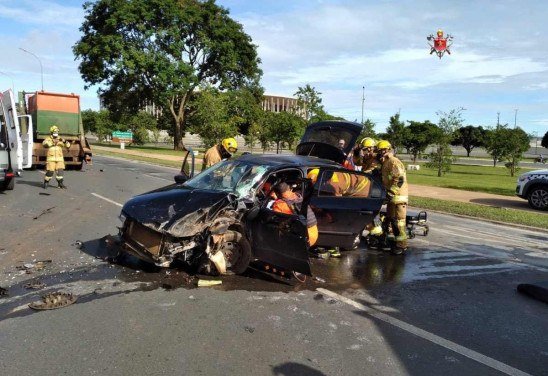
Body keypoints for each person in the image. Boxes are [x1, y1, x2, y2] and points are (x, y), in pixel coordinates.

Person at [376, 140, 408, 254]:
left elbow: (399, 179)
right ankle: (393, 242)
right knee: (391, 220)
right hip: (391, 197)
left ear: (388, 150)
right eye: (379, 151)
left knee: (399, 222)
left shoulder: (394, 162)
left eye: (382, 151)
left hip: (398, 197)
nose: (380, 153)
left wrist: (390, 193)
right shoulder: (386, 162)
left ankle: (401, 245)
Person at [270, 182, 318, 247]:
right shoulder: (298, 197)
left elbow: (278, 221)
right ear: (290, 189)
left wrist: (276, 201)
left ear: (276, 193)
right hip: (314, 232)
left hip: (304, 237)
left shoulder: (279, 204)